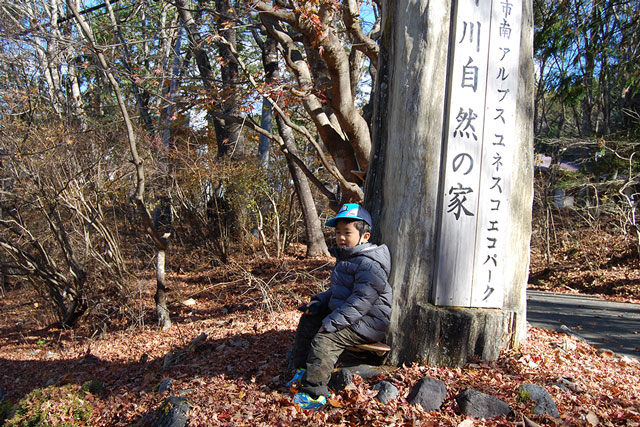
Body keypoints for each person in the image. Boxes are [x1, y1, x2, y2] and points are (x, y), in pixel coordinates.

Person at [286, 203, 392, 410]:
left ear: (365, 237)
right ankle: (302, 370)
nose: (341, 237)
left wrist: (332, 322)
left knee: (325, 339)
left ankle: (314, 393)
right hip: (350, 315)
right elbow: (339, 293)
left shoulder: (369, 264)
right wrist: (319, 301)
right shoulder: (348, 258)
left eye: (347, 232)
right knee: (309, 319)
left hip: (368, 321)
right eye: (338, 232)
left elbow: (360, 301)